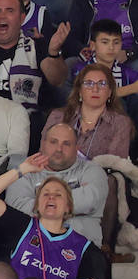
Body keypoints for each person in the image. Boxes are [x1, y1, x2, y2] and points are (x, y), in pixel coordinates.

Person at [46, 64, 135, 260]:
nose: (95, 89)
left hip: (97, 178)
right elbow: (45, 153)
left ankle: (104, 248)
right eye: (89, 83)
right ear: (78, 90)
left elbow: (114, 159)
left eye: (102, 84)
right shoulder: (58, 116)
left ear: (110, 92)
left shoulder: (121, 122)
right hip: (58, 174)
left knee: (111, 181)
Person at [0, 124, 109, 247]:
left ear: (76, 148)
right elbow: (17, 208)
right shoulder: (25, 171)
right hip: (34, 250)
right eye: (53, 142)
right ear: (43, 144)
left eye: (66, 144)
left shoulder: (92, 170)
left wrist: (40, 206)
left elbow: (89, 201)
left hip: (82, 250)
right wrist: (74, 207)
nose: (59, 149)